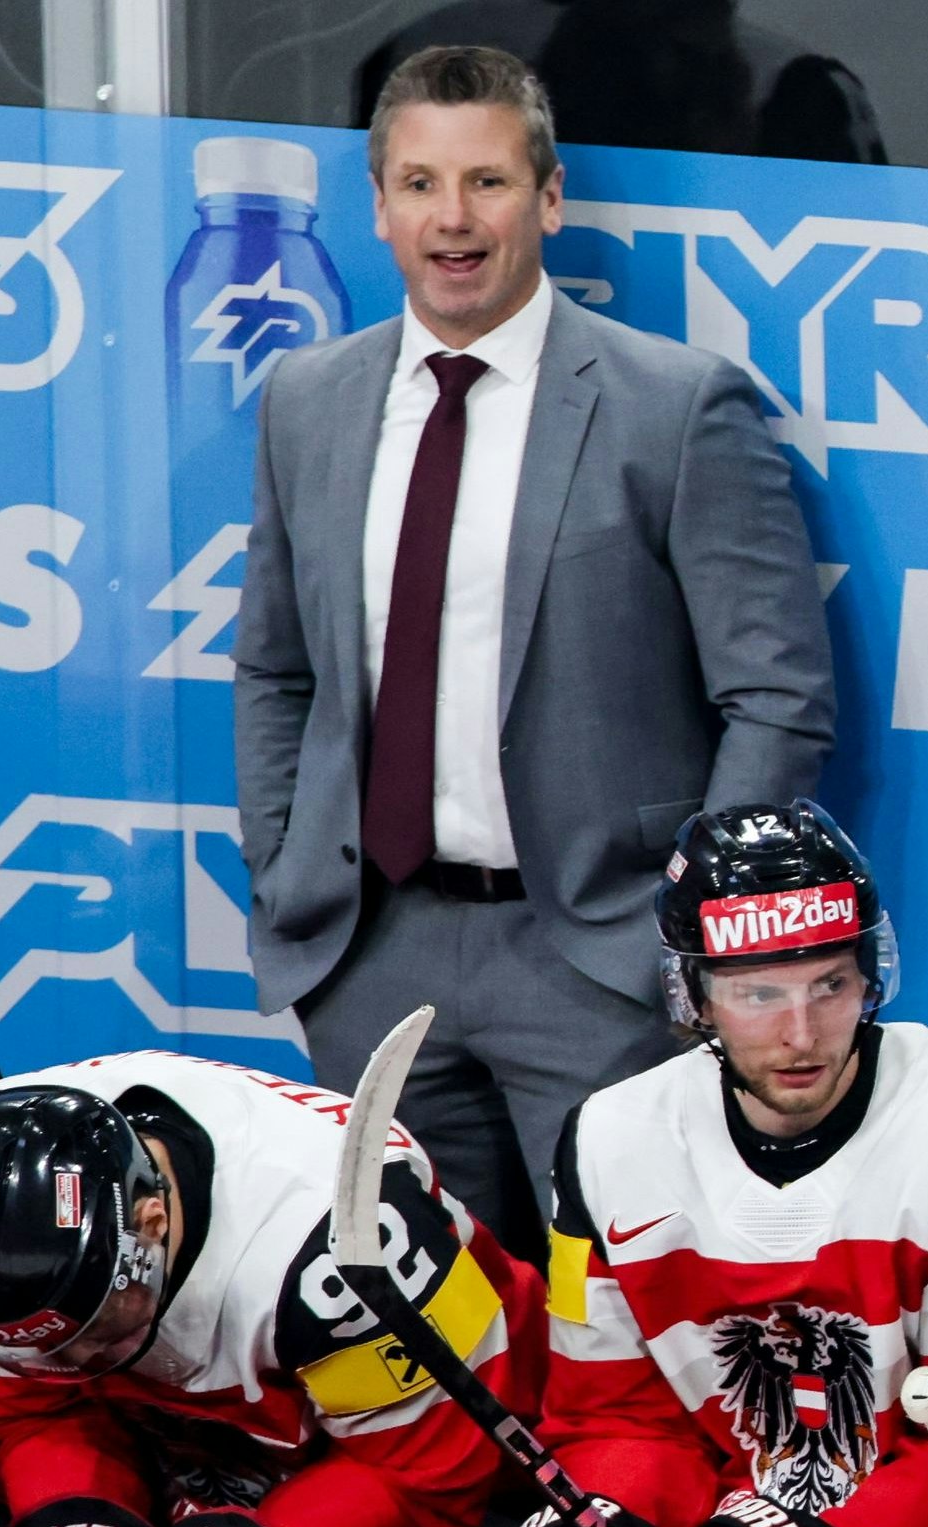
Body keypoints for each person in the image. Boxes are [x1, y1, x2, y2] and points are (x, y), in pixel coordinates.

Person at [231, 42, 834, 1254]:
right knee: (419, 1341)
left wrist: (687, 934)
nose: (453, 220)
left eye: (488, 183)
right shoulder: (308, 398)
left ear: (550, 197)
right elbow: (277, 667)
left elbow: (777, 698)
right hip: (372, 954)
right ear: (380, 206)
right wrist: (289, 874)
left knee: (617, 1334)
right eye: (419, 185)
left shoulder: (675, 408)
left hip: (599, 967)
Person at [528, 802, 928, 1527]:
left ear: (870, 974)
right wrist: (616, 1513)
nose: (801, 1035)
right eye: (759, 993)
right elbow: (611, 1416)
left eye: (830, 984)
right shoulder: (605, 1138)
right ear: (697, 994)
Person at [0, 1058, 540, 1527]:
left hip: (470, 1441)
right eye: (36, 1350)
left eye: (96, 1329)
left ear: (153, 1225)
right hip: (200, 1454)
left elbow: (423, 1474)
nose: (74, 1364)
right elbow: (22, 1409)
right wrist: (74, 1506)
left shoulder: (342, 1240)